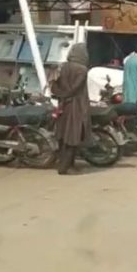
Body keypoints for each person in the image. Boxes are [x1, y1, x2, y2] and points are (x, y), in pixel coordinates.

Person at [48, 42, 92, 175]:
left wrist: (62, 96)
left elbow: (55, 86)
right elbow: (76, 88)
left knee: (63, 136)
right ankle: (65, 167)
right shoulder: (82, 70)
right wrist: (67, 95)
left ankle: (66, 164)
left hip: (63, 105)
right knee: (74, 136)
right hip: (77, 106)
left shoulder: (63, 67)